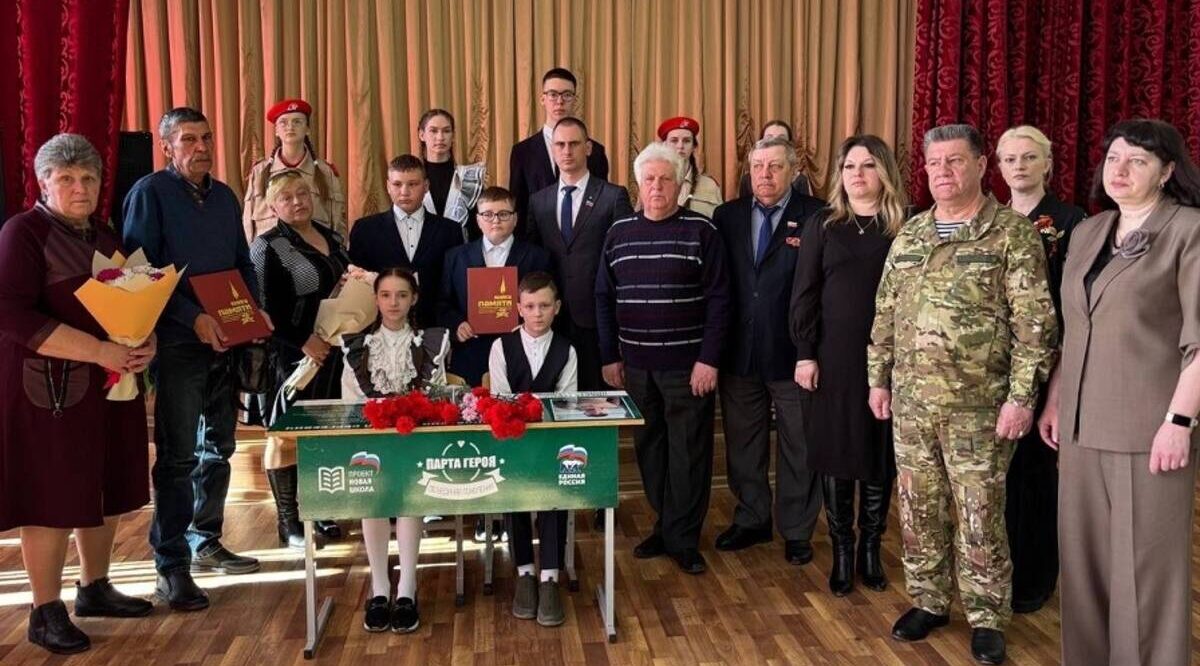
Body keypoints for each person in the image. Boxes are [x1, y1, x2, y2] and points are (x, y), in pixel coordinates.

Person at [867, 123, 1056, 665]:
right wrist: (878, 378)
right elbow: (885, 312)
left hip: (980, 407)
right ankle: (928, 600)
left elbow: (1035, 325)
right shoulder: (912, 233)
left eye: (954, 161)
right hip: (912, 403)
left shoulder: (1011, 234)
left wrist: (1021, 398)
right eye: (934, 163)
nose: (943, 172)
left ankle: (987, 615)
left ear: (979, 165)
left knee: (980, 514)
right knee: (918, 507)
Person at [1038, 119, 1200, 666]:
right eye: (1113, 158)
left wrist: (1179, 422)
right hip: (1080, 429)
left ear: (1167, 171)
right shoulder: (1090, 231)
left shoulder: (1188, 231)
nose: (1121, 170)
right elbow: (1074, 326)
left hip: (1148, 433)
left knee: (1145, 577)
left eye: (1138, 160)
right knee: (1083, 570)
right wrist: (1056, 398)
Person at [0, 134, 154, 654]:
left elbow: (135, 299)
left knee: (105, 481)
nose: (79, 187)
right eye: (65, 178)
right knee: (50, 495)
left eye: (88, 177)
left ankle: (95, 587)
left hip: (107, 384)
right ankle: (44, 611)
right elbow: (11, 313)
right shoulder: (23, 232)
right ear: (43, 183)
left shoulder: (104, 234)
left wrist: (144, 341)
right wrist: (99, 350)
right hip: (47, 389)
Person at [124, 107, 271, 611]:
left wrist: (253, 312)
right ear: (167, 146)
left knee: (220, 448)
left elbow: (242, 262)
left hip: (226, 342)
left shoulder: (225, 195)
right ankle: (171, 566)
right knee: (178, 456)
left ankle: (205, 539)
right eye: (189, 139)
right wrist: (193, 319)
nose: (202, 147)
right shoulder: (149, 194)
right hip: (178, 344)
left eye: (206, 137)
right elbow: (139, 272)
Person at [596, 143, 729, 575]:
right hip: (636, 366)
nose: (657, 186)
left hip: (688, 368)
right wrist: (609, 356)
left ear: (680, 184)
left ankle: (683, 538)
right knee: (650, 449)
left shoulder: (702, 231)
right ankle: (665, 524)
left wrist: (709, 360)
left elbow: (720, 300)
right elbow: (603, 297)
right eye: (649, 179)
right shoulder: (618, 233)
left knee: (688, 452)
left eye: (665, 179)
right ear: (638, 183)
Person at [790, 135, 907, 596]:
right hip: (832, 358)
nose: (857, 174)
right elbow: (805, 293)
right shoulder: (823, 224)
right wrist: (804, 352)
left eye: (868, 165)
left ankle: (870, 549)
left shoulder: (906, 224)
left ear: (885, 172)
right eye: (849, 166)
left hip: (890, 361)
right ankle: (842, 550)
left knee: (879, 453)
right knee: (836, 453)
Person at [710, 136, 824, 565]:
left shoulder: (817, 216)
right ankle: (752, 518)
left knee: (799, 444)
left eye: (775, 166)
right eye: (758, 166)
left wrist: (812, 349)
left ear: (794, 171)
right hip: (739, 351)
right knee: (743, 443)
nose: (765, 175)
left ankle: (796, 529)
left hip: (794, 352)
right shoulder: (727, 216)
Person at [993, 125, 1085, 614]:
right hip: (993, 365)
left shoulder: (1072, 222)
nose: (1019, 166)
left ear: (1047, 163)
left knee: (1036, 475)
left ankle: (1035, 577)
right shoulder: (990, 218)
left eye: (1029, 157)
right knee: (998, 477)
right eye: (1009, 159)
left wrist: (1056, 391)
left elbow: (1076, 308)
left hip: (1049, 362)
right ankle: (998, 572)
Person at [340, 267, 451, 634]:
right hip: (371, 441)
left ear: (414, 299)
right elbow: (351, 404)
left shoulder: (431, 343)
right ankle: (379, 587)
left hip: (414, 440)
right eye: (386, 295)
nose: (393, 303)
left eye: (402, 295)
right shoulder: (356, 347)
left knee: (407, 499)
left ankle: (407, 587)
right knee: (372, 500)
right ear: (376, 299)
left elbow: (434, 396)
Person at [250, 170, 351, 549]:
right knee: (285, 436)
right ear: (272, 206)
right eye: (287, 197)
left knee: (320, 433)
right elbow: (262, 310)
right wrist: (302, 340)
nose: (297, 202)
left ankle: (318, 509)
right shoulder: (266, 247)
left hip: (332, 353)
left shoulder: (331, 237)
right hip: (289, 356)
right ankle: (288, 521)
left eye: (303, 193)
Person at [488, 272, 578, 627]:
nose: (537, 313)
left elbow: (567, 402)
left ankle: (550, 576)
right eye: (529, 306)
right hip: (512, 443)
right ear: (518, 308)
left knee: (553, 495)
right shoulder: (501, 347)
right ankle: (524, 571)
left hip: (551, 444)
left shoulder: (567, 350)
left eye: (544, 305)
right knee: (516, 496)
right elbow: (499, 397)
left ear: (557, 307)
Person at [526, 117, 632, 390]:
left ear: (588, 148)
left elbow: (625, 263)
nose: (566, 151)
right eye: (560, 144)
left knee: (597, 400)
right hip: (551, 320)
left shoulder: (613, 196)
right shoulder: (538, 201)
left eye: (574, 144)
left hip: (598, 321)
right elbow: (533, 259)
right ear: (552, 149)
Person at [437, 186, 551, 386]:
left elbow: (548, 302)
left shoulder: (537, 256)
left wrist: (529, 324)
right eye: (488, 214)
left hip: (522, 355)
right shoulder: (455, 257)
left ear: (515, 219)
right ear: (478, 220)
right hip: (471, 355)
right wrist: (457, 325)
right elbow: (442, 304)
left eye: (503, 214)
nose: (496, 220)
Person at [348, 155, 463, 328]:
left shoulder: (450, 230)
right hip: (379, 329)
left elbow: (455, 287)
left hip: (435, 327)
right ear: (388, 186)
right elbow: (357, 285)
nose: (404, 192)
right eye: (397, 184)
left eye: (413, 184)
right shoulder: (364, 229)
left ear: (426, 186)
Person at [509, 67, 610, 230]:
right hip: (537, 240)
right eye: (553, 94)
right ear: (542, 99)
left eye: (567, 95)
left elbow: (602, 203)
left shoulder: (595, 151)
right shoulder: (522, 152)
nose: (560, 101)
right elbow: (518, 207)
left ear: (575, 100)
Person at [243, 98, 345, 242]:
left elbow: (337, 225)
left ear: (307, 129)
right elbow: (248, 225)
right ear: (276, 131)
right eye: (283, 122)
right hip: (269, 252)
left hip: (313, 252)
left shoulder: (325, 173)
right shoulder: (259, 172)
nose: (290, 127)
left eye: (297, 122)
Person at [417, 109, 486, 242]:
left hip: (461, 251)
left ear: (453, 136)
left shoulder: (469, 179)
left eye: (446, 131)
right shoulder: (411, 179)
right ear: (421, 135)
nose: (440, 137)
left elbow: (478, 229)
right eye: (433, 131)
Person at [657, 116, 723, 218]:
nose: (680, 146)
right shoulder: (653, 184)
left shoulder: (710, 185)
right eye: (674, 141)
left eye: (686, 141)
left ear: (694, 147)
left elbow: (719, 222)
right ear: (664, 145)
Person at [737, 120, 812, 198]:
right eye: (769, 138)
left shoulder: (800, 180)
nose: (775, 143)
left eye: (781, 139)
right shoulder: (747, 180)